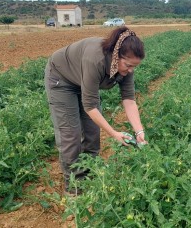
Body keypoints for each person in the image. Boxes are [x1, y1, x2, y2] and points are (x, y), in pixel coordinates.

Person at [44, 26, 147, 195]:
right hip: (61, 80)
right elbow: (90, 106)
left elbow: (129, 99)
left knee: (92, 132)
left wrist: (139, 132)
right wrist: (114, 133)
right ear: (116, 55)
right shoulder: (96, 60)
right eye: (128, 65)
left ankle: (90, 174)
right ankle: (74, 187)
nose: (130, 71)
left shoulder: (126, 67)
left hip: (82, 80)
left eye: (134, 67)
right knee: (71, 134)